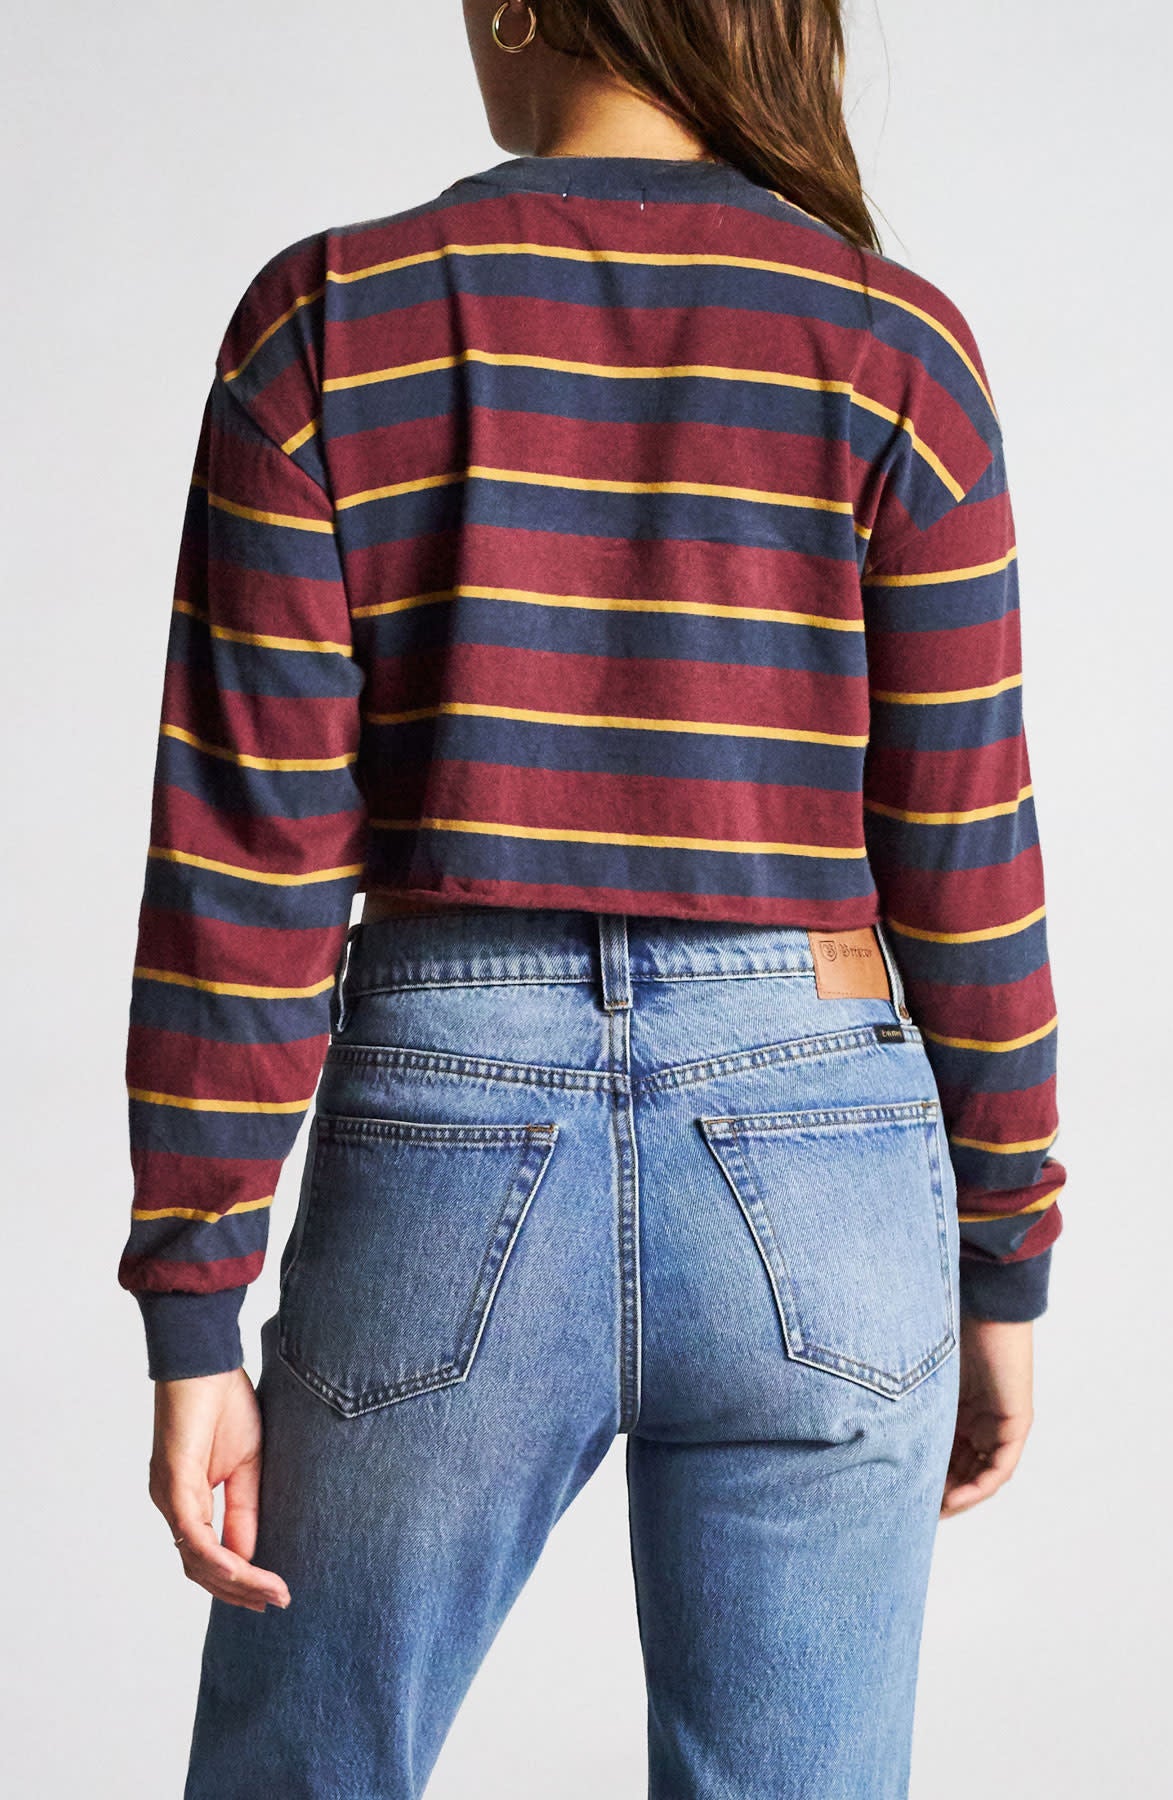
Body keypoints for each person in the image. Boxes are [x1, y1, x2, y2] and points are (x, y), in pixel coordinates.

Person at [119, 3, 1067, 1794]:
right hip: (824, 1144)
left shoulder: (333, 322)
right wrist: (1003, 1257)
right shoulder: (896, 351)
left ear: (517, 8)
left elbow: (247, 848)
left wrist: (194, 1299)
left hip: (447, 1122)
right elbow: (968, 854)